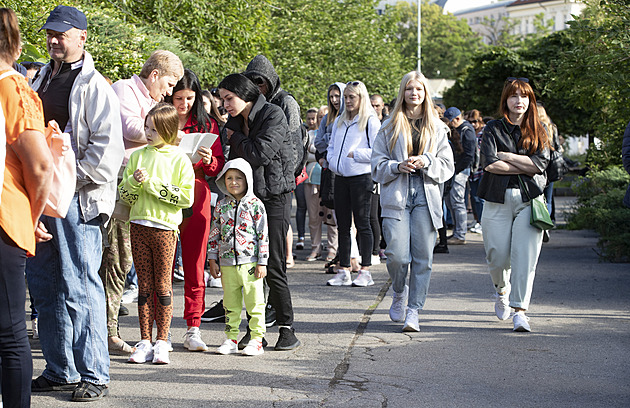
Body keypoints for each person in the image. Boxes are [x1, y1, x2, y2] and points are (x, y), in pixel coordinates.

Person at [26, 5, 125, 402]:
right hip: (42, 198)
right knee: (44, 287)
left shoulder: (95, 85)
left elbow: (107, 154)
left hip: (77, 200)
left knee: (80, 286)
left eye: (61, 34)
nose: (53, 40)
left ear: (82, 38)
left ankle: (94, 373)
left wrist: (65, 179)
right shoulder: (40, 79)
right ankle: (59, 368)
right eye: (50, 33)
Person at [106, 50, 184, 355]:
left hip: (156, 211)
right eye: (168, 84)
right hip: (123, 188)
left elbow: (184, 194)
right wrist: (166, 135)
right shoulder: (124, 89)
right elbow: (130, 129)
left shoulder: (154, 104)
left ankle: (157, 339)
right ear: (154, 75)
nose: (170, 92)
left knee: (145, 274)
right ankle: (111, 332)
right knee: (116, 261)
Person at [218, 73, 300, 351]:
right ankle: (257, 332)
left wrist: (237, 137)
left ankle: (287, 328)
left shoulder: (273, 114)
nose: (225, 105)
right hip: (247, 198)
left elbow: (258, 154)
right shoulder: (234, 121)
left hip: (275, 196)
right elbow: (235, 160)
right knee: (248, 267)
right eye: (222, 100)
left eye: (229, 98)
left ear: (245, 94)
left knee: (273, 264)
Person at [372, 71, 454, 331]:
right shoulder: (389, 125)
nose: (414, 93)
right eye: (409, 89)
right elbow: (376, 166)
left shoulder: (437, 126)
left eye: (419, 89)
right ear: (402, 92)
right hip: (397, 193)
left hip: (426, 194)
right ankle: (399, 291)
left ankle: (414, 310)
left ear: (425, 92)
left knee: (423, 258)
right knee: (397, 255)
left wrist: (427, 160)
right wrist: (397, 166)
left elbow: (447, 165)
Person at [0, 9, 53, 407]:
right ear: (15, 45)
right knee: (11, 331)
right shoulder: (14, 86)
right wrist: (32, 216)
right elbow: (39, 165)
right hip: (5, 217)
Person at [120, 103, 195, 364]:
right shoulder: (138, 156)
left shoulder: (179, 159)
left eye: (154, 129)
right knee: (144, 286)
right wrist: (133, 182)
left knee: (163, 286)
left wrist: (150, 184)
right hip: (138, 225)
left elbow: (185, 198)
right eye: (146, 127)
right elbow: (125, 194)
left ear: (168, 129)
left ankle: (162, 340)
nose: (148, 133)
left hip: (165, 229)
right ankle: (144, 339)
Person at [478, 77, 550, 332]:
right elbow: (489, 163)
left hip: (530, 201)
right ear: (505, 100)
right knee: (497, 256)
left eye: (524, 96)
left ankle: (520, 310)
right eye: (513, 96)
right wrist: (524, 163)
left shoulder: (539, 129)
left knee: (525, 256)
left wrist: (508, 156)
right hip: (497, 199)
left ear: (530, 100)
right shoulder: (493, 128)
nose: (519, 101)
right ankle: (502, 290)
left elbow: (539, 165)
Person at [166, 68, 225, 352]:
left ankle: (193, 326)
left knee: (195, 261)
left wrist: (210, 159)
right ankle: (158, 325)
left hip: (198, 191)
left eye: (190, 98)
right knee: (161, 263)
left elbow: (218, 166)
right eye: (179, 97)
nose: (184, 104)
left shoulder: (208, 123)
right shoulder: (160, 120)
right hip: (163, 193)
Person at [208, 158, 268, 356]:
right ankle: (231, 338)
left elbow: (263, 235)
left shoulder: (255, 205)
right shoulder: (220, 205)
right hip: (226, 265)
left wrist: (262, 262)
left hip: (250, 264)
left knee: (255, 303)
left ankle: (257, 339)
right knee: (230, 304)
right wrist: (212, 259)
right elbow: (214, 232)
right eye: (229, 178)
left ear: (247, 180)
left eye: (238, 178)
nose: (233, 182)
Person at [326, 80, 380, 287]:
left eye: (351, 97)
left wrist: (355, 154)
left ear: (361, 98)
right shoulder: (340, 121)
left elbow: (378, 150)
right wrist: (332, 161)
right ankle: (344, 269)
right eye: (345, 97)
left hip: (361, 178)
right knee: (343, 226)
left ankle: (365, 270)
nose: (347, 101)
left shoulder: (370, 121)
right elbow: (331, 146)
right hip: (340, 177)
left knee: (363, 223)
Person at [442, 107, 476, 245]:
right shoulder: (461, 129)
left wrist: (456, 170)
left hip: (461, 170)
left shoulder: (467, 131)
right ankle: (457, 232)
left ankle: (460, 234)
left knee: (457, 202)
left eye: (452, 122)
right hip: (455, 170)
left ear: (457, 119)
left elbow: (469, 154)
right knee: (451, 202)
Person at [465, 109, 485, 234]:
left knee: (480, 197)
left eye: (475, 121)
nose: (473, 124)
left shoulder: (485, 131)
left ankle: (482, 223)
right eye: (470, 121)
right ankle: (477, 220)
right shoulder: (471, 132)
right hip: (473, 169)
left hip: (482, 169)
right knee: (473, 197)